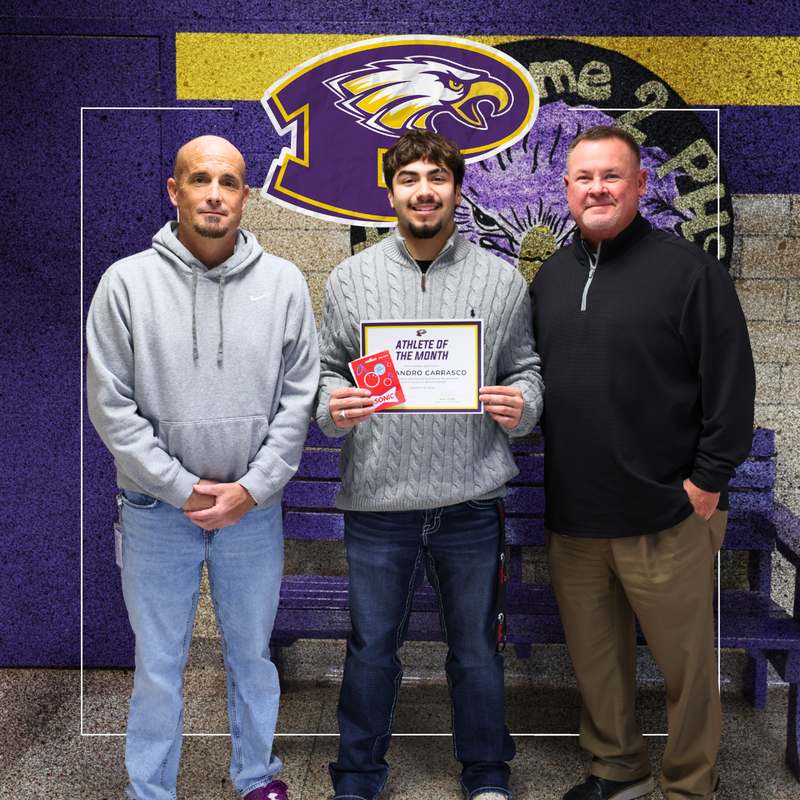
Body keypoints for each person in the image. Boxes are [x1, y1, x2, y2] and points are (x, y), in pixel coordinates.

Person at [86, 135, 319, 800]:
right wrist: (182, 487)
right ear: (174, 190)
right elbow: (112, 409)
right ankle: (150, 790)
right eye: (199, 180)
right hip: (159, 515)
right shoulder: (125, 285)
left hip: (253, 517)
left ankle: (257, 778)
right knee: (159, 666)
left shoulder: (283, 286)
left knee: (252, 658)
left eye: (228, 181)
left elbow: (297, 401)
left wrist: (250, 489)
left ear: (246, 196)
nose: (214, 193)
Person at [314, 130, 544, 800]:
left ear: (456, 188)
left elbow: (527, 370)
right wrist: (337, 405)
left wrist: (521, 404)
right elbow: (327, 372)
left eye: (436, 177)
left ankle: (487, 775)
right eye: (409, 177)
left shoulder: (500, 281)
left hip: (470, 503)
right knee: (370, 652)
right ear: (391, 191)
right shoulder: (351, 280)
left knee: (475, 651)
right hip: (377, 503)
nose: (423, 189)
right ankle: (357, 778)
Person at [529, 125, 755, 800]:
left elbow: (731, 386)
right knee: (598, 666)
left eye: (611, 176)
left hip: (668, 513)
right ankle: (617, 769)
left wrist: (706, 485)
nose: (597, 188)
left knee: (686, 670)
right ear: (566, 189)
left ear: (640, 185)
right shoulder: (551, 276)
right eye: (583, 178)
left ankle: (687, 786)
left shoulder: (690, 272)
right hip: (575, 516)